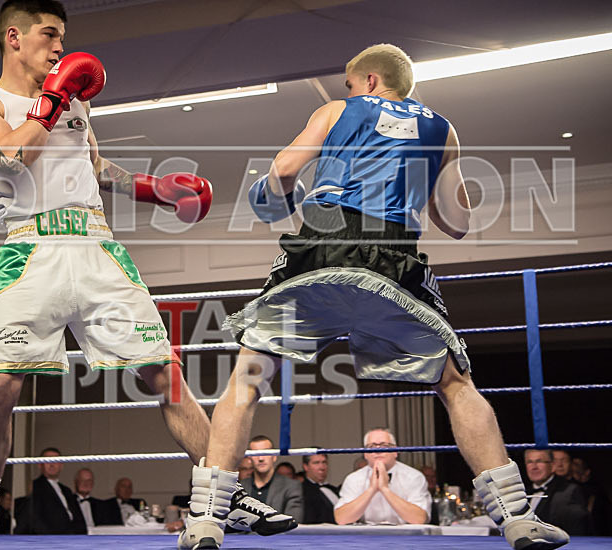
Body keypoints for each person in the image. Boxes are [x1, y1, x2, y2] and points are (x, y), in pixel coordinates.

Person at [180, 43, 569, 550]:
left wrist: (270, 197)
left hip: (322, 249)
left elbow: (282, 172)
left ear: (366, 81)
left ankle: (207, 519)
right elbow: (456, 223)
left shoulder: (339, 109)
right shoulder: (441, 129)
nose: (347, 91)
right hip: (392, 260)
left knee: (249, 377)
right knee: (454, 383)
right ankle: (517, 517)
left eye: (348, 83)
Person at [0, 1, 215, 548]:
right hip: (32, 249)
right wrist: (52, 101)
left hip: (95, 244)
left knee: (164, 371)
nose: (60, 46)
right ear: (14, 38)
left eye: (64, 37)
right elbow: (8, 155)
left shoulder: (71, 104)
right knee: (1, 385)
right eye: (49, 34)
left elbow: (92, 167)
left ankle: (220, 493)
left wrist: (151, 189)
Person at [334, 428, 430, 525]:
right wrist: (371, 490)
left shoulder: (414, 477)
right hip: (366, 537)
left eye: (384, 445)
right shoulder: (353, 479)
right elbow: (341, 519)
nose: (378, 450)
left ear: (395, 451)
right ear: (365, 454)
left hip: (405, 537)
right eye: (372, 446)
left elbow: (419, 519)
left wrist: (385, 489)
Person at [15, 448, 86, 535]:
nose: (52, 464)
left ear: (61, 465)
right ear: (40, 465)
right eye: (48, 460)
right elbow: (35, 520)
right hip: (50, 541)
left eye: (55, 461)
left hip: (73, 540)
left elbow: (78, 518)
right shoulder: (35, 486)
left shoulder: (66, 490)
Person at [235, 437, 303, 526]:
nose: (261, 458)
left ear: (274, 456)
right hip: (241, 539)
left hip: (279, 539)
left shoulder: (291, 486)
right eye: (256, 453)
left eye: (266, 452)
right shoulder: (239, 486)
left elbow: (292, 523)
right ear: (250, 458)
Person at [523, 449, 589, 535]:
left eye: (539, 461)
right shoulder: (521, 492)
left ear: (553, 466)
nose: (534, 467)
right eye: (530, 462)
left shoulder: (568, 491)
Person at [301, 451, 339, 524]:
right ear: (306, 467)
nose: (322, 467)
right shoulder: (301, 491)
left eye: (324, 462)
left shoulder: (334, 489)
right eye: (316, 463)